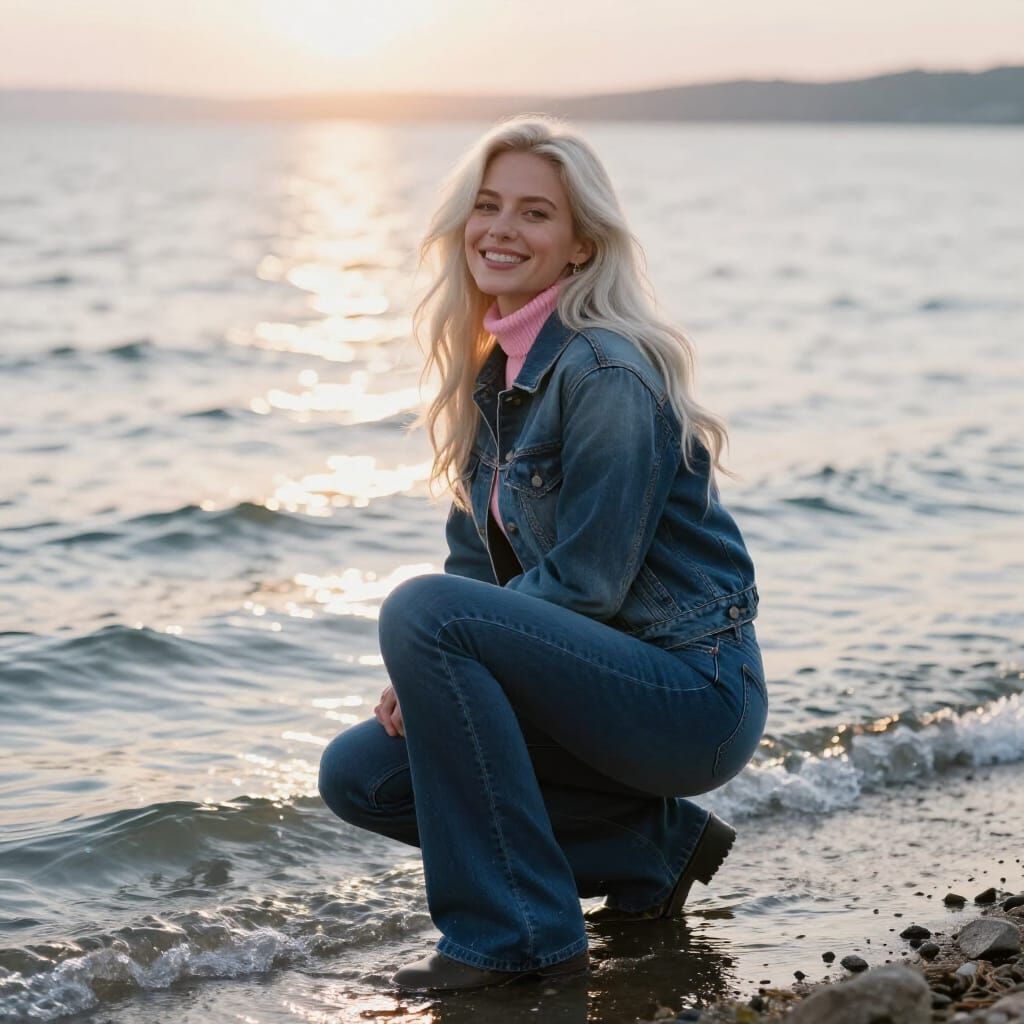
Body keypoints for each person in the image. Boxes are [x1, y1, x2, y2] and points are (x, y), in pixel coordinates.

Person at [317, 113, 766, 993]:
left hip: (690, 697)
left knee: (420, 609)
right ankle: (651, 850)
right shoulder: (493, 376)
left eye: (535, 212)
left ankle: (521, 938)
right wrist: (425, 672)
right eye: (488, 206)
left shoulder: (605, 371)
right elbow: (474, 573)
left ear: (581, 244)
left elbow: (589, 583)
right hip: (588, 694)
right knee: (362, 774)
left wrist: (437, 634)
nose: (502, 229)